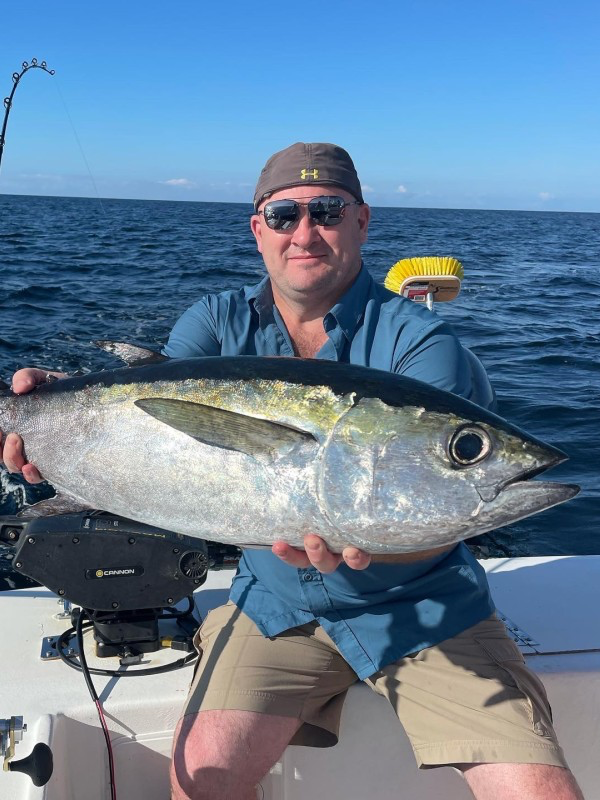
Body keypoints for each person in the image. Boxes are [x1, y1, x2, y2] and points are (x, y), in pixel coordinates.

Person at [1, 143, 583, 800]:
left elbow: (432, 512)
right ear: (258, 229)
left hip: (427, 605)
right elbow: (150, 426)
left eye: (327, 212)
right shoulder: (214, 321)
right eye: (285, 215)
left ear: (362, 221)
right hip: (274, 603)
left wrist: (378, 531)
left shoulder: (422, 345)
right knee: (200, 782)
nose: (305, 233)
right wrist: (51, 415)